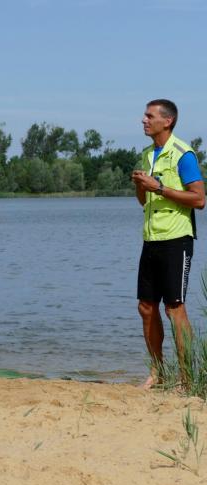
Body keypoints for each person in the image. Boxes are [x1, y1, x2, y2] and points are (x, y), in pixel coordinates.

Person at [131, 99, 205, 390]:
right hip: (151, 239)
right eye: (145, 115)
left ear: (168, 121)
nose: (144, 120)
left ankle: (187, 378)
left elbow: (199, 199)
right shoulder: (147, 154)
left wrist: (159, 187)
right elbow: (144, 201)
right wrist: (141, 185)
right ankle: (158, 372)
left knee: (174, 309)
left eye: (149, 116)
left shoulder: (183, 154)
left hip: (177, 240)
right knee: (146, 307)